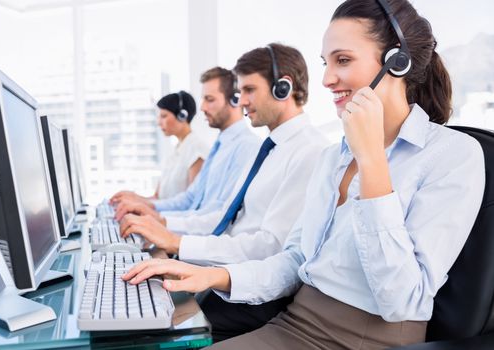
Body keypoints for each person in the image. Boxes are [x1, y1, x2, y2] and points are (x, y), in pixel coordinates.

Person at [122, 0, 486, 348]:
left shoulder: (453, 155)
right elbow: (297, 260)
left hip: (369, 340)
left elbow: (400, 300)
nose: (327, 79)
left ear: (397, 62)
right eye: (325, 62)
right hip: (296, 321)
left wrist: (372, 160)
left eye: (342, 60)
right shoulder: (333, 157)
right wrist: (216, 275)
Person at [119, 43, 329, 340]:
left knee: (151, 334)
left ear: (284, 87)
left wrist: (178, 243)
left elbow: (272, 248)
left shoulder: (309, 151)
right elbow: (222, 217)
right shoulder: (269, 149)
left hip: (254, 290)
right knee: (138, 307)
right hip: (228, 271)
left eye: (249, 90)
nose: (241, 101)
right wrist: (174, 240)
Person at [110, 67, 260, 217]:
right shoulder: (220, 146)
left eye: (210, 99)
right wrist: (143, 206)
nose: (202, 107)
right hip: (189, 229)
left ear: (235, 100)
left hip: (200, 234)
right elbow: (190, 198)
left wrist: (159, 220)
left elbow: (216, 216)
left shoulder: (246, 147)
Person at [153, 90, 208, 200]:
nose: (159, 122)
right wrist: (131, 199)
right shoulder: (175, 151)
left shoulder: (197, 150)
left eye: (164, 116)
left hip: (173, 216)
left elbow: (193, 202)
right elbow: (157, 197)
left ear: (182, 116)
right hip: (161, 213)